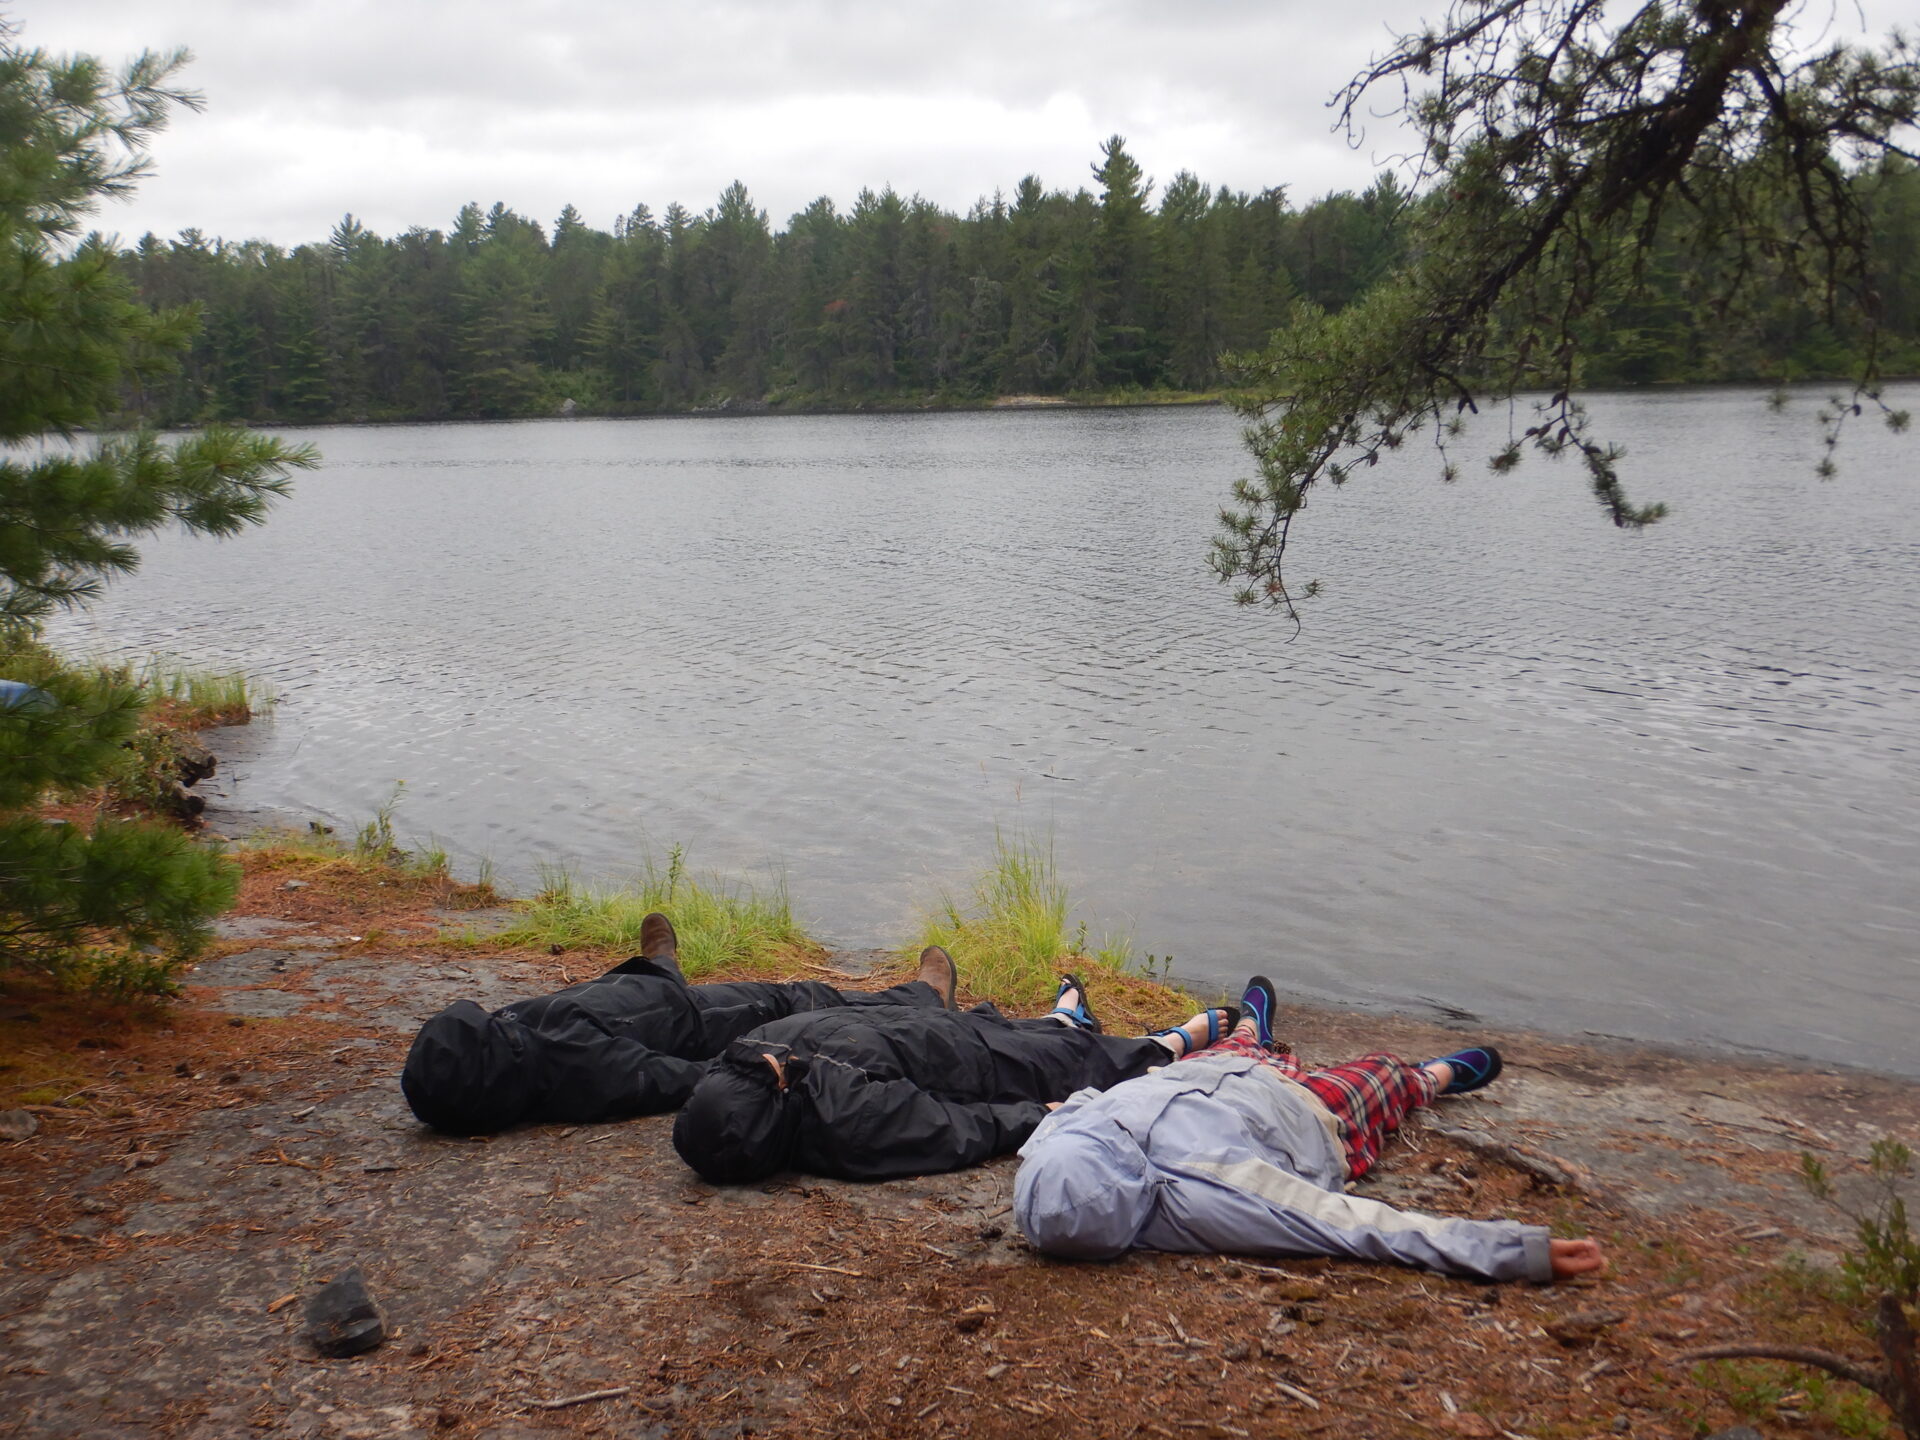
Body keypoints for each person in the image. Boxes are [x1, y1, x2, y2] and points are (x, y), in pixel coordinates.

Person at [1014, 976, 1607, 1284]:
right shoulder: (1205, 1196)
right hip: (1304, 1115)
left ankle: (1253, 1030)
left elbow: (1072, 1110)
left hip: (1208, 1078)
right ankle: (1432, 1078)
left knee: (1232, 1046)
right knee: (1377, 1074)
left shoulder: (1058, 1150)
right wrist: (1513, 1252)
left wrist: (1078, 1107)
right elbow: (1352, 1226)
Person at [401, 913, 962, 1133]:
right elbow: (674, 1075)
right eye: (483, 1027)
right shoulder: (576, 1067)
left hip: (618, 996)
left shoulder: (520, 1051)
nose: (485, 1017)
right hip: (688, 1020)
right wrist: (753, 1066)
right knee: (794, 999)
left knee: (631, 983)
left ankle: (662, 964)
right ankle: (924, 998)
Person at [672, 974, 1241, 1185]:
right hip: (971, 1069)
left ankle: (1061, 1019)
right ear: (772, 1112)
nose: (767, 1057)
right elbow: (949, 1128)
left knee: (1024, 1033)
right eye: (766, 1074)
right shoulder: (848, 1123)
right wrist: (1036, 1115)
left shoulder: (749, 1062)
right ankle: (1169, 1047)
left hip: (924, 1029)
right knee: (1063, 1061)